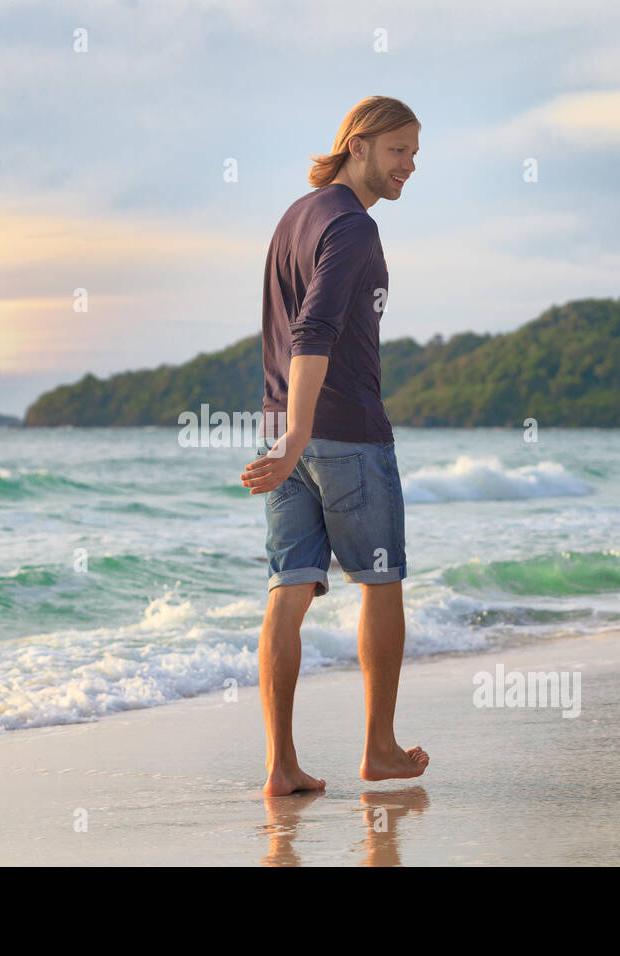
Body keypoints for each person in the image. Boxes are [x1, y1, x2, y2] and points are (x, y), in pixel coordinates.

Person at [240, 96, 429, 796]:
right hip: (341, 429)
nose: (409, 165)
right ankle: (378, 747)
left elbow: (290, 331)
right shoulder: (352, 227)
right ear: (359, 145)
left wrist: (287, 438)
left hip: (282, 425)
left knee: (289, 588)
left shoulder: (297, 216)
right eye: (398, 150)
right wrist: (299, 437)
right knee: (381, 583)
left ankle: (281, 765)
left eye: (414, 153)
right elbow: (311, 334)